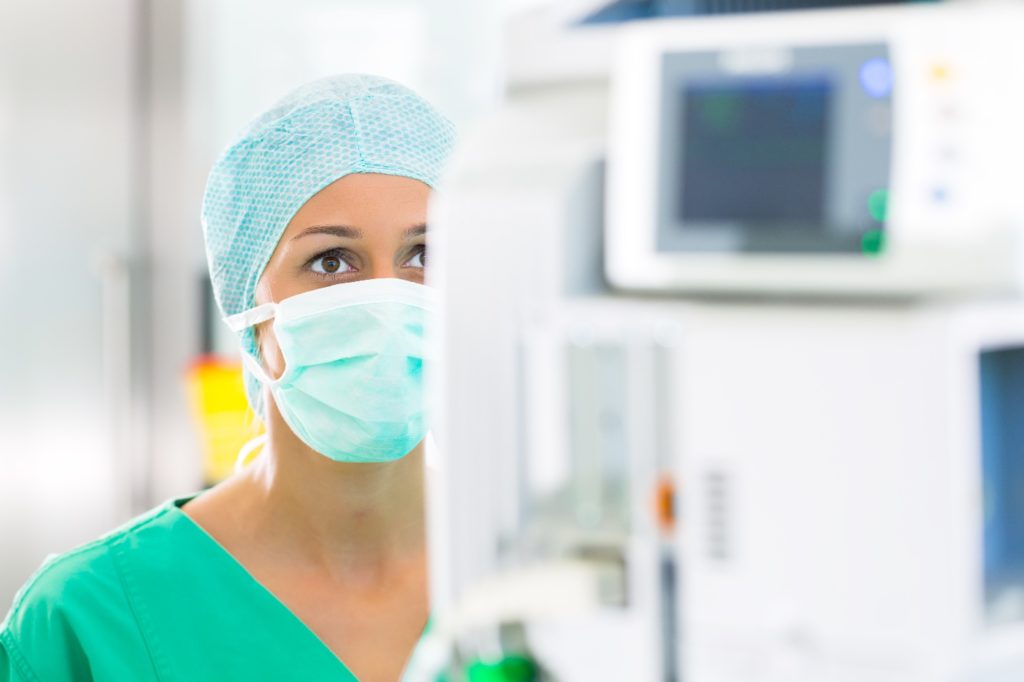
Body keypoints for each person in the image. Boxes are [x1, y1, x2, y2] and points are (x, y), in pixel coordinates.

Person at [0, 74, 457, 682]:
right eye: (331, 262)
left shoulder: (548, 575)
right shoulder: (88, 620)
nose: (387, 303)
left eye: (422, 255)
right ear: (248, 308)